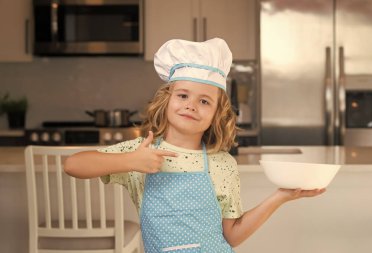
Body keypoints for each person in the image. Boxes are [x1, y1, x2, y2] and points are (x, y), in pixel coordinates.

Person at [64, 38, 325, 253]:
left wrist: (280, 197)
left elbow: (232, 236)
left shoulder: (222, 164)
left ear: (216, 115)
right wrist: (130, 161)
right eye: (183, 95)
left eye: (204, 101)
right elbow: (73, 165)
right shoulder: (140, 153)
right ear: (166, 101)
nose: (191, 105)